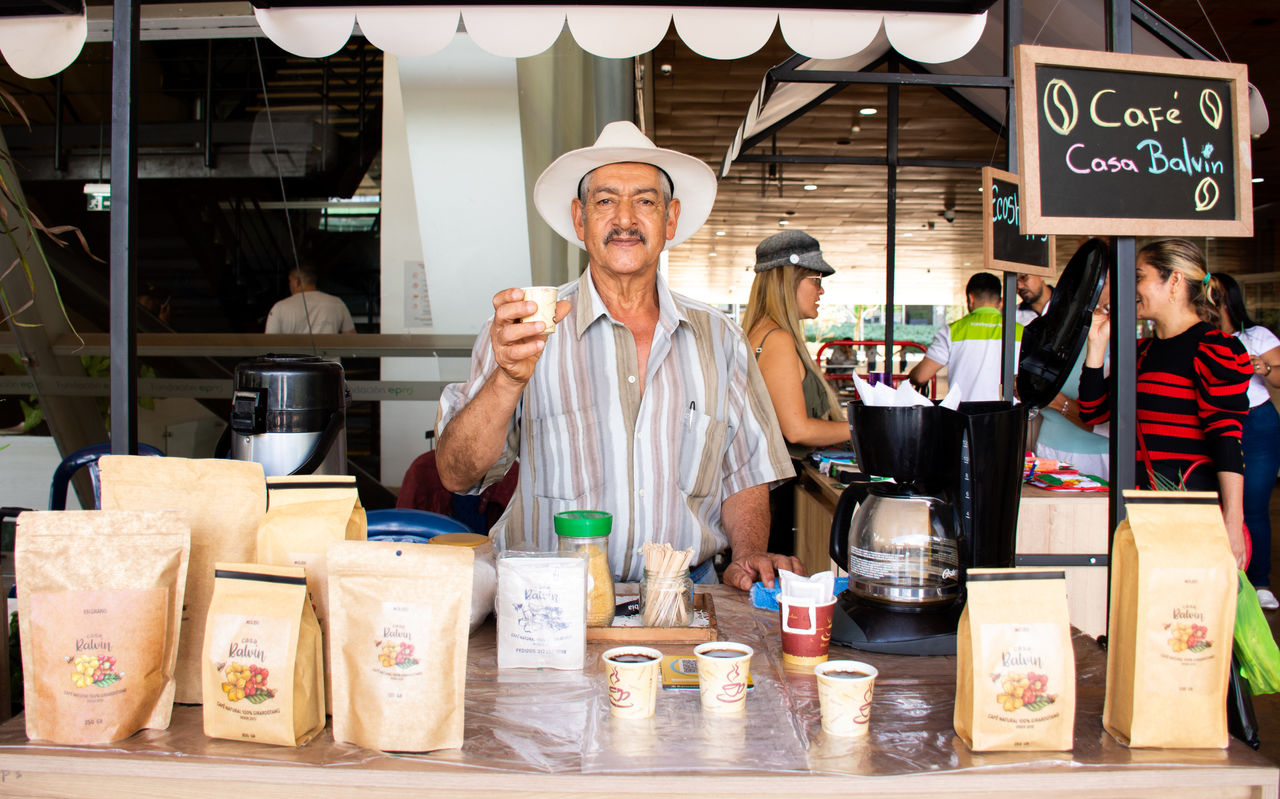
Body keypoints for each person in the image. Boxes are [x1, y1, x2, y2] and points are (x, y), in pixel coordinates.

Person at [434, 121, 802, 590]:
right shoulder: (521, 333)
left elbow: (746, 470)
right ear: (579, 218)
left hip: (681, 598)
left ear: (670, 219)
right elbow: (456, 474)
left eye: (645, 201)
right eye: (605, 200)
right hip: (548, 599)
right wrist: (506, 380)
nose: (625, 219)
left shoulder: (722, 339)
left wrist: (749, 554)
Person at [1078, 239, 1251, 568]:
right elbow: (1094, 411)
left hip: (1192, 513)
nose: (1130, 288)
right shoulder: (1141, 351)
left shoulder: (1214, 348)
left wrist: (1232, 522)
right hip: (1142, 512)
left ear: (1174, 281)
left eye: (1139, 277)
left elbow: (1227, 438)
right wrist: (1097, 347)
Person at [742, 230, 850, 457]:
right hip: (781, 487)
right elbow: (796, 430)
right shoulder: (777, 339)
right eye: (816, 280)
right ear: (787, 281)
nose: (821, 290)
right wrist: (863, 428)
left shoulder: (760, 332)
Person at [1211, 272, 1280, 609]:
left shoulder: (1256, 336)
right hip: (1219, 421)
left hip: (1257, 423)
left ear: (1229, 299)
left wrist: (1263, 368)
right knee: (1216, 502)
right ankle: (1222, 577)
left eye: (1216, 294)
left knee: (1253, 503)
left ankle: (1260, 581)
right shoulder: (1204, 337)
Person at [909, 272, 1021, 403]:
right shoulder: (1020, 331)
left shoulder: (952, 331)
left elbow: (921, 377)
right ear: (1001, 302)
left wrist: (912, 375)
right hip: (1007, 418)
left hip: (964, 417)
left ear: (970, 298)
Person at [264, 263, 357, 335]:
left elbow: (270, 343)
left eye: (290, 281)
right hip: (329, 360)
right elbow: (351, 339)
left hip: (294, 360)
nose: (289, 285)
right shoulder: (337, 303)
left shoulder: (280, 307)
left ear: (297, 282)